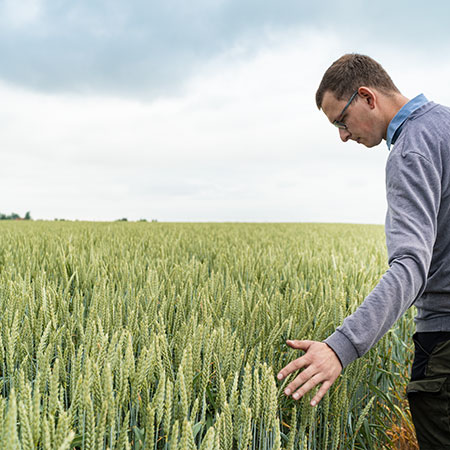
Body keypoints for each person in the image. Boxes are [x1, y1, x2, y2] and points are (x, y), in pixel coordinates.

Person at [277, 53, 450, 449]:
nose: (342, 135)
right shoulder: (445, 124)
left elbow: (410, 265)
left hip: (444, 345)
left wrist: (340, 348)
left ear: (367, 97)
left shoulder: (411, 151)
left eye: (341, 121)